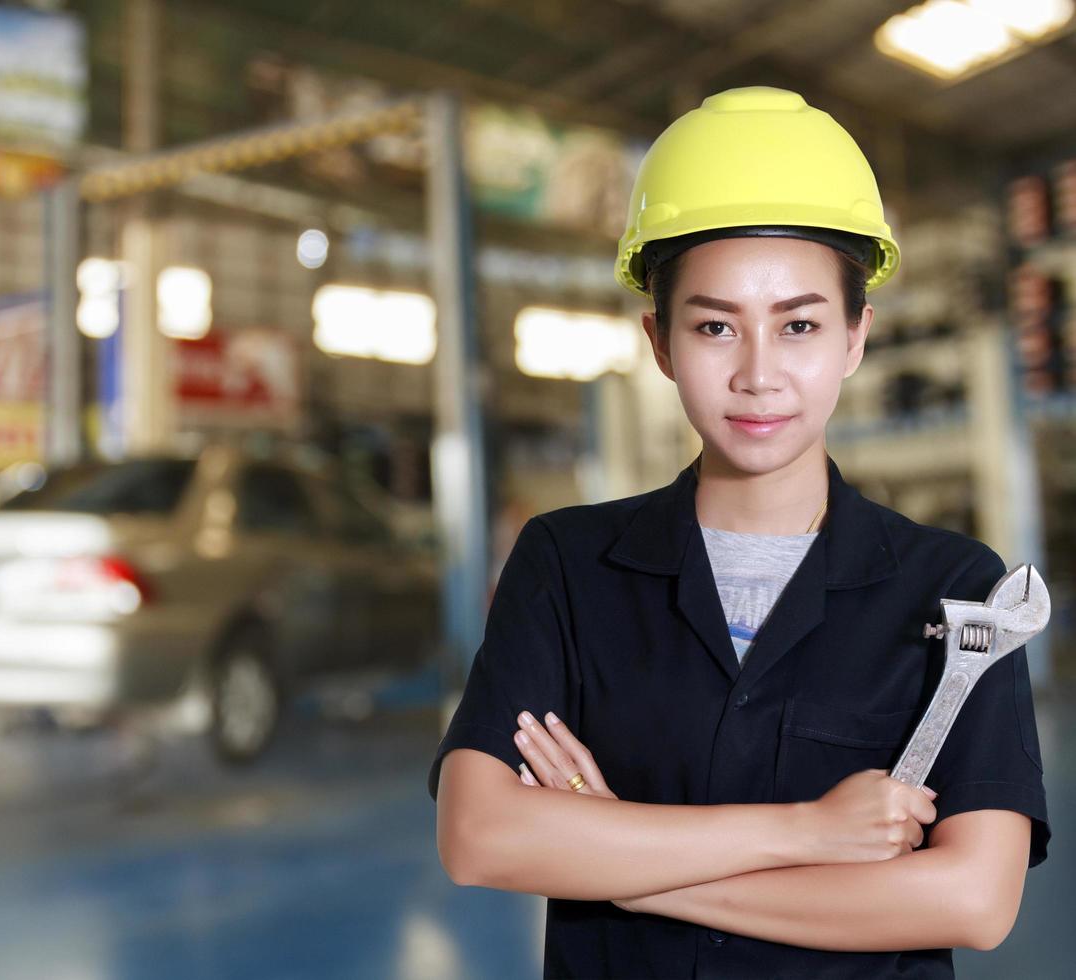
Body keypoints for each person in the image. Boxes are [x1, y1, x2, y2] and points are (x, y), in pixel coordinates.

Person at [428, 86, 1050, 979]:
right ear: (660, 342)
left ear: (855, 337)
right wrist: (806, 834)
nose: (759, 375)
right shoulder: (567, 565)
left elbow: (971, 901)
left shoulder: (953, 589)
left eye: (798, 325)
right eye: (716, 326)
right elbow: (479, 835)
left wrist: (623, 862)